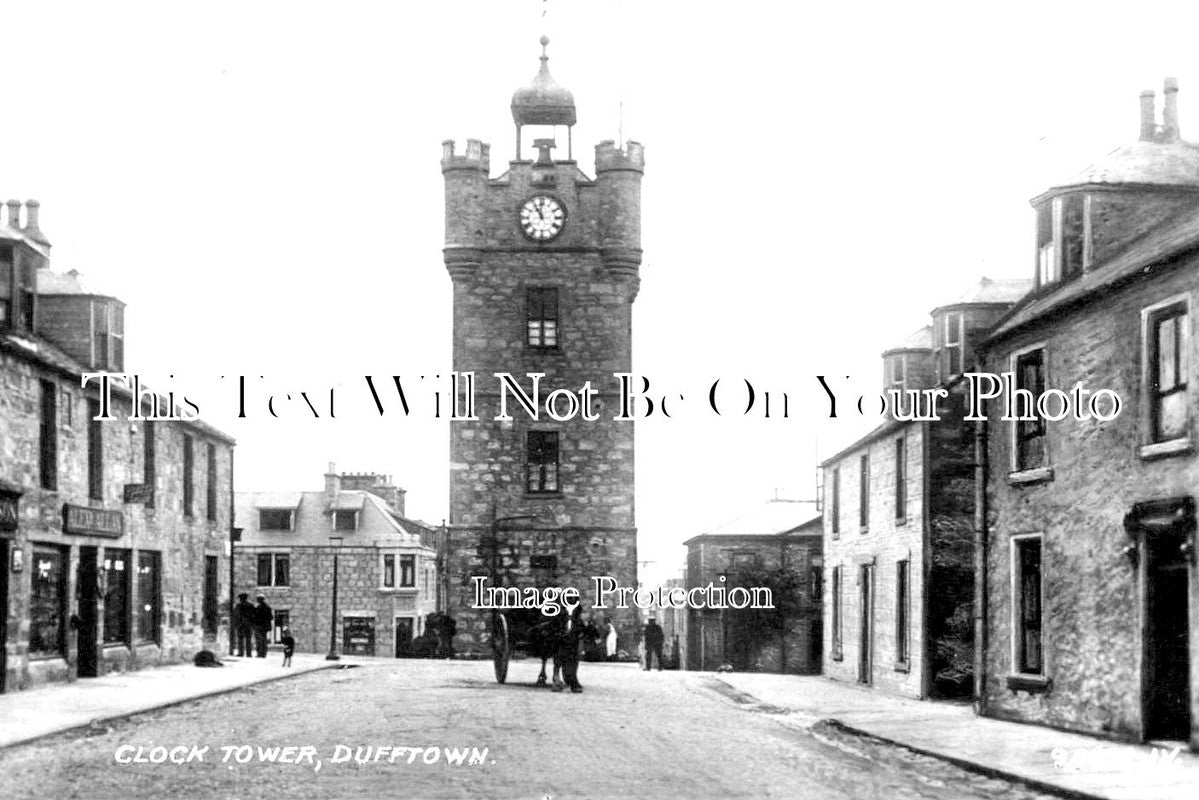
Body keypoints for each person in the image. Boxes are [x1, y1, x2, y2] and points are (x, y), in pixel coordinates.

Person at [554, 606, 584, 693]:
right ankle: (560, 681)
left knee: (572, 663)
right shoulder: (560, 611)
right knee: (561, 661)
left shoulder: (577, 613)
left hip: (573, 642)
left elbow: (581, 628)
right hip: (561, 641)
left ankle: (573, 683)